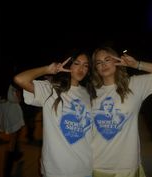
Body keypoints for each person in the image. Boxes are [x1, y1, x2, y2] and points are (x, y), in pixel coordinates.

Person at [91, 46, 152, 177]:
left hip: (126, 166)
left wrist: (137, 64)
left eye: (107, 59)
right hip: (97, 164)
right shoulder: (91, 92)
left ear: (116, 61)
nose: (103, 64)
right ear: (96, 68)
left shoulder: (134, 85)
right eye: (98, 62)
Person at [14, 49, 96, 177]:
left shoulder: (88, 93)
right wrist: (48, 70)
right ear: (69, 65)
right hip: (56, 169)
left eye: (85, 65)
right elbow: (20, 79)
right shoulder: (51, 89)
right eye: (77, 63)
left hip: (83, 167)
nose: (81, 69)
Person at [0, 77, 25, 177]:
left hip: (2, 111)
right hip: (12, 115)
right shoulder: (11, 87)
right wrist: (19, 94)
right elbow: (17, 99)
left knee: (15, 138)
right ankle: (7, 171)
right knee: (12, 142)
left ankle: (17, 154)